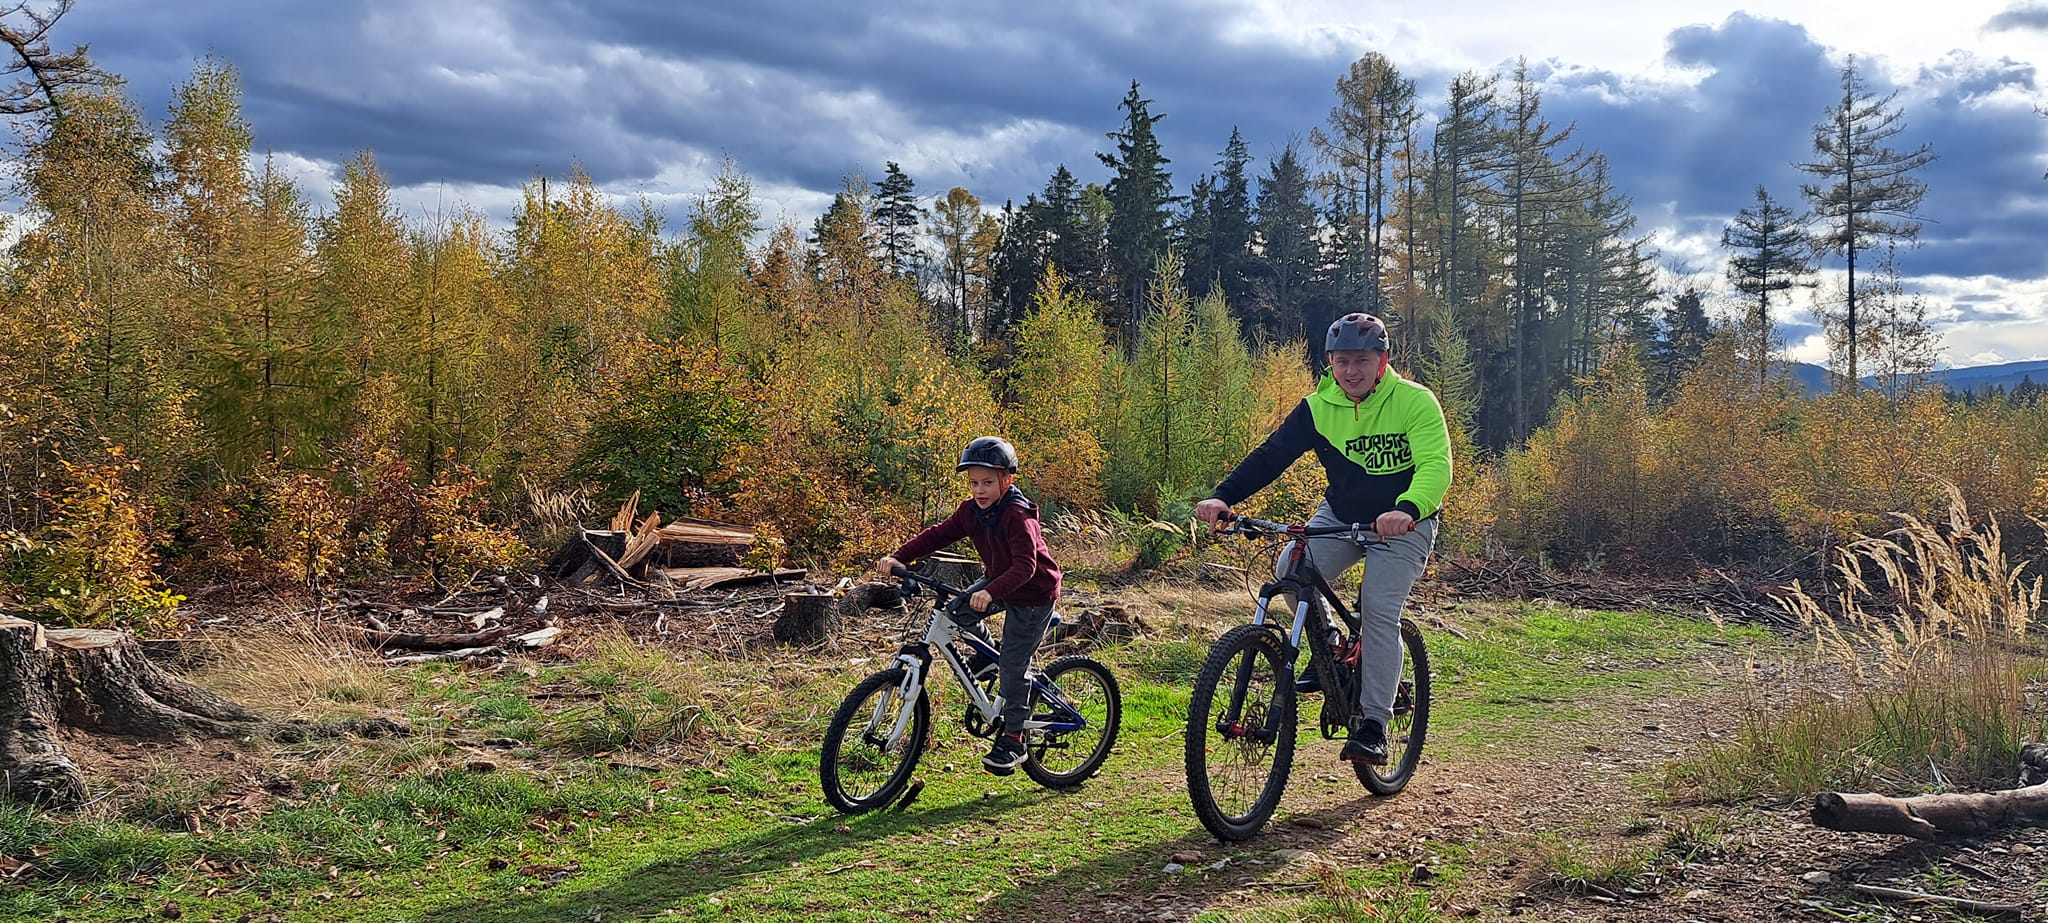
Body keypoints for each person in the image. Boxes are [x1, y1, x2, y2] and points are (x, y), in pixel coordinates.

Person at [1194, 313, 1451, 767]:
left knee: (1377, 609)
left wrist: (1407, 509)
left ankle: (1373, 725)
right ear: (1330, 363)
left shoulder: (1415, 401)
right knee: (1290, 572)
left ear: (1382, 361)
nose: (1352, 371)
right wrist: (1222, 496)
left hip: (1404, 523)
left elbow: (1436, 466)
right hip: (1343, 515)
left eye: (1362, 360)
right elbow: (1271, 456)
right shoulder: (1317, 408)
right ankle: (1331, 647)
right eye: (1342, 361)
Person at [876, 436, 1062, 775]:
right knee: (956, 613)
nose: (980, 490)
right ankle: (989, 658)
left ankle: (1013, 738)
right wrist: (899, 556)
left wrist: (990, 593)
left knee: (1013, 666)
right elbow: (937, 535)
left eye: (988, 482)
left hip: (1034, 593)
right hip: (1001, 581)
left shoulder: (1018, 516)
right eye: (974, 482)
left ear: (1008, 480)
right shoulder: (971, 511)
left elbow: (1026, 567)